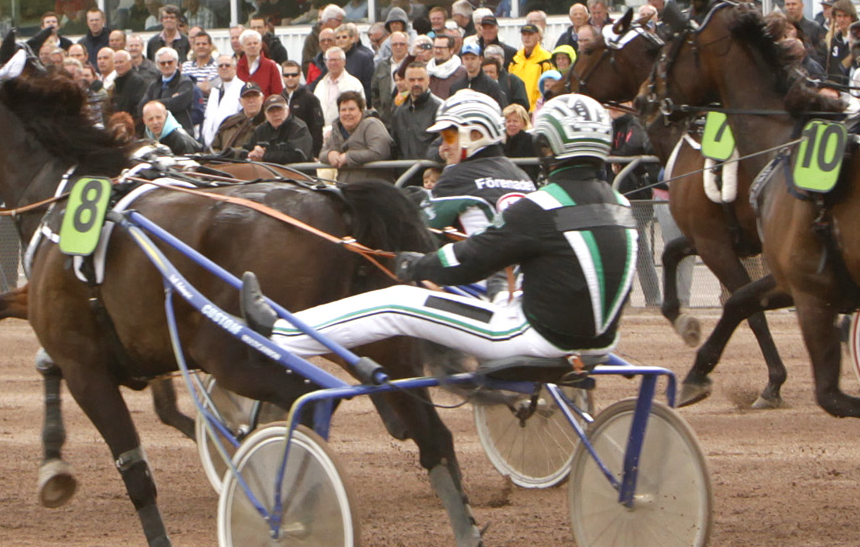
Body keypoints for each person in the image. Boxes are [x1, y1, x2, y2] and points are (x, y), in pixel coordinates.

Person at [245, 92, 637, 369]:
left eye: (449, 135)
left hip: (530, 335)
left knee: (396, 302)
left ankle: (281, 333)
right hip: (601, 339)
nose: (443, 145)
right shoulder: (621, 205)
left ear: (547, 148)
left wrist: (416, 267)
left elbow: (470, 259)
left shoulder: (543, 204)